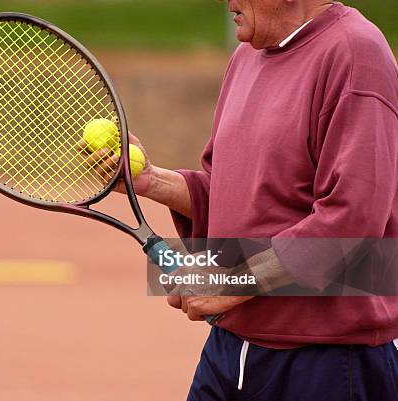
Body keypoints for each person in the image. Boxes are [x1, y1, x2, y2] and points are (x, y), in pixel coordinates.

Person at [91, 1, 398, 399]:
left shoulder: (356, 53)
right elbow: (236, 194)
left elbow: (351, 221)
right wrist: (152, 181)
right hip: (229, 350)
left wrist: (229, 284)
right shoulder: (245, 56)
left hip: (325, 359)